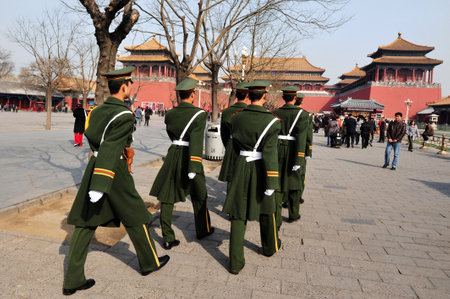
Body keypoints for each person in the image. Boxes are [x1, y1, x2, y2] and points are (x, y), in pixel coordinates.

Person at [63, 67, 169, 296]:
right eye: (129, 84)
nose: (131, 88)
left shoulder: (98, 111)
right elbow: (111, 148)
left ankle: (72, 279)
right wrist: (101, 185)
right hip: (114, 170)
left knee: (85, 222)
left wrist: (97, 179)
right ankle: (150, 262)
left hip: (96, 167)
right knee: (135, 215)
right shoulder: (124, 115)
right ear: (123, 87)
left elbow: (95, 142)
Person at [222, 80, 281, 275]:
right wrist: (272, 181)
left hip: (240, 166)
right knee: (267, 208)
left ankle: (235, 263)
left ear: (248, 96)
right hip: (261, 169)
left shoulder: (236, 118)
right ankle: (269, 247)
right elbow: (270, 154)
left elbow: (234, 145)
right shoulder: (272, 121)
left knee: (238, 213)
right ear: (264, 96)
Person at [150, 78, 214, 250]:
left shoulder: (170, 114)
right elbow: (195, 141)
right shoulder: (199, 114)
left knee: (167, 196)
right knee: (200, 195)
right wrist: (193, 166)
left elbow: (171, 134)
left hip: (173, 154)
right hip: (190, 157)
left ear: (179, 95)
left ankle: (168, 237)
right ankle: (203, 229)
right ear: (193, 94)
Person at [272, 86, 308, 226]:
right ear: (295, 98)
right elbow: (301, 138)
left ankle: (277, 217)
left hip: (277, 149)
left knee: (278, 182)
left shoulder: (275, 113)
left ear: (283, 98)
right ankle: (293, 214)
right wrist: (299, 158)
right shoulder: (302, 115)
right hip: (293, 150)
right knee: (294, 184)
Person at [219, 82, 249, 184]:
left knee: (231, 176)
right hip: (247, 147)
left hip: (231, 145)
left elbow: (223, 133)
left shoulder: (227, 112)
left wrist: (228, 145)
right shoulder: (249, 111)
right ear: (248, 96)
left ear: (236, 95)